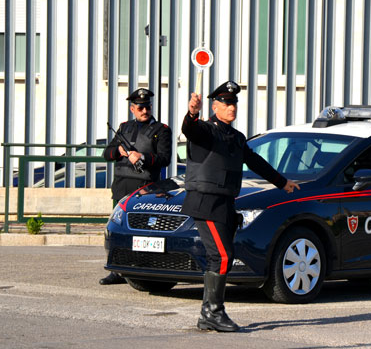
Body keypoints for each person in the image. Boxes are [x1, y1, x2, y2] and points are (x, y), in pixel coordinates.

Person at [182, 80, 300, 332]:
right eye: (226, 103)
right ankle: (214, 312)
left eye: (234, 102)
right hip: (206, 202)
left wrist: (282, 182)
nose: (231, 107)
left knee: (224, 256)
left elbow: (254, 160)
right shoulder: (206, 130)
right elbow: (189, 129)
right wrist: (192, 111)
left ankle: (208, 314)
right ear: (215, 106)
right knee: (222, 255)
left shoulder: (235, 136)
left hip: (225, 202)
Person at [99, 88, 172, 285]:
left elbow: (165, 158)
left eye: (147, 106)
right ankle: (117, 269)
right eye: (140, 107)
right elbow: (106, 154)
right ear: (133, 108)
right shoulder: (124, 128)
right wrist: (120, 151)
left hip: (145, 188)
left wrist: (143, 157)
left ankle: (145, 268)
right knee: (118, 230)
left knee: (144, 232)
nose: (144, 110)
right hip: (122, 187)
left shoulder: (161, 130)